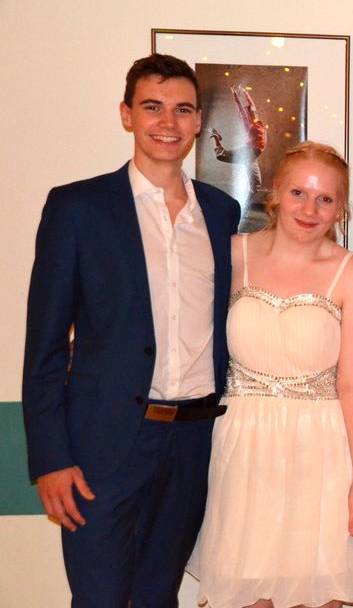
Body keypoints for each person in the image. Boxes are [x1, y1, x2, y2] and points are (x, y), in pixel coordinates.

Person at [22, 53, 240, 607]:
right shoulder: (77, 208)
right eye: (152, 107)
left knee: (157, 598)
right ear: (126, 115)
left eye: (182, 109)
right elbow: (45, 346)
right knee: (99, 598)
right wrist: (50, 457)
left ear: (198, 122)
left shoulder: (221, 212)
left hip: (193, 441)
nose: (168, 122)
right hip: (102, 444)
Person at [188, 142, 353, 607]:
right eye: (299, 193)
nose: (309, 209)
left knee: (317, 593)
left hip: (322, 451)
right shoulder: (231, 254)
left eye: (325, 199)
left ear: (341, 209)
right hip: (242, 447)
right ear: (276, 192)